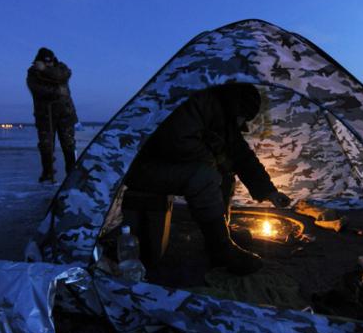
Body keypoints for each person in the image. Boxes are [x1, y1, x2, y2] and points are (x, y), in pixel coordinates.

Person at [125, 83, 291, 275]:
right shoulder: (198, 104)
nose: (243, 123)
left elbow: (242, 156)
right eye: (243, 118)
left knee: (226, 172)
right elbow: (175, 141)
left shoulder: (222, 117)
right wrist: (213, 159)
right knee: (205, 176)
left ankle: (222, 233)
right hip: (145, 168)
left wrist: (269, 191)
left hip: (168, 165)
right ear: (237, 109)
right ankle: (221, 249)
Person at [26, 47, 78, 183]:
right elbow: (38, 90)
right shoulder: (32, 73)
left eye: (50, 62)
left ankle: (71, 171)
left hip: (65, 114)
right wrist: (57, 90)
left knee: (69, 144)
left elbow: (63, 76)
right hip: (45, 115)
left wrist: (45, 70)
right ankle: (48, 172)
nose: (48, 64)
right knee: (46, 145)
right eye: (45, 62)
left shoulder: (62, 68)